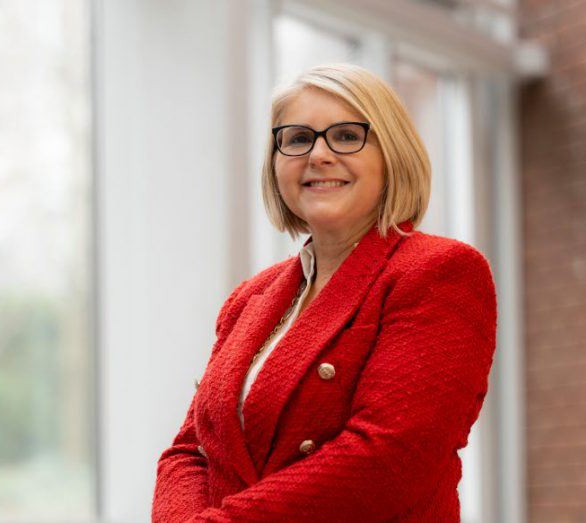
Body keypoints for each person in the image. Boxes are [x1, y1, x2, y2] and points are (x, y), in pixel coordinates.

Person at [152, 63, 497, 522]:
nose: (318, 155)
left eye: (346, 136)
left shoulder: (439, 272)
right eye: (297, 139)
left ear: (392, 154)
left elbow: (388, 460)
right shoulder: (248, 299)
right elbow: (189, 450)